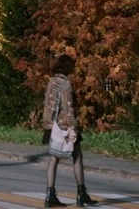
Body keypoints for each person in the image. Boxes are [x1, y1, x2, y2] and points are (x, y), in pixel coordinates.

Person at [42, 54, 97, 208]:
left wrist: (47, 123)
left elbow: (47, 103)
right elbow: (68, 109)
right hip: (64, 126)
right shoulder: (66, 84)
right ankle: (81, 194)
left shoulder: (51, 81)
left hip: (51, 126)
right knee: (77, 156)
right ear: (68, 67)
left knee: (53, 158)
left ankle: (49, 195)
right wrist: (75, 127)